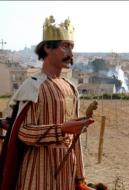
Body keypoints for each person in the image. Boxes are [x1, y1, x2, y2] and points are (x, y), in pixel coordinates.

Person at [0, 15, 94, 190]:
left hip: (67, 170)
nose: (70, 54)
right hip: (38, 170)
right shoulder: (33, 86)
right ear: (47, 48)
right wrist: (62, 129)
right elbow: (23, 132)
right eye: (65, 46)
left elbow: (75, 140)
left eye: (71, 47)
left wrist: (80, 178)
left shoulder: (71, 88)